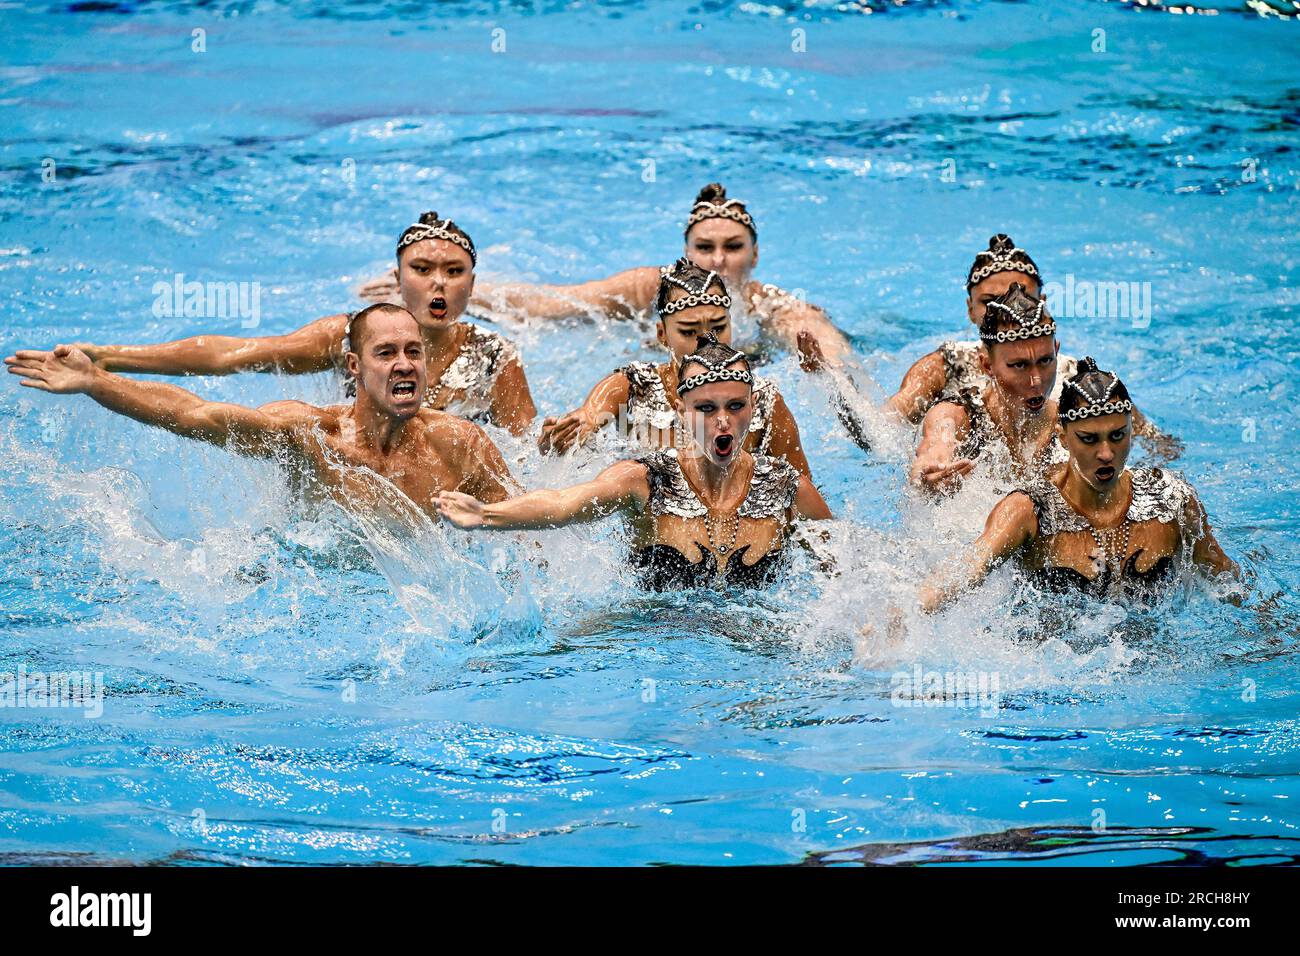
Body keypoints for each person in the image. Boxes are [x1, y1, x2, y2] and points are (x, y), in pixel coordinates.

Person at [18, 213, 537, 436]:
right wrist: (108, 358)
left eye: (454, 272)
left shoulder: (494, 358)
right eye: (422, 270)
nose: (438, 285)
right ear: (395, 278)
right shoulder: (345, 336)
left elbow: (525, 459)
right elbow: (229, 356)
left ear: (474, 282)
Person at [5, 304, 516, 518]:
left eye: (414, 352)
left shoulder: (461, 445)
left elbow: (521, 534)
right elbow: (195, 415)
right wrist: (98, 380)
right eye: (386, 354)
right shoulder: (310, 435)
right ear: (355, 367)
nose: (404, 365)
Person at [435, 336, 832, 590]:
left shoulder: (786, 489)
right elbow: (564, 502)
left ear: (753, 406)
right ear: (680, 411)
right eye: (706, 408)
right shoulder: (646, 480)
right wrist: (487, 514)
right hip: (652, 650)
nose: (723, 420)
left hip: (756, 654)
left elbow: (848, 568)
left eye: (735, 406)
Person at [360, 183, 853, 364]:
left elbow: (824, 341)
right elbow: (556, 305)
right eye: (705, 247)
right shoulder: (649, 287)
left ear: (755, 255)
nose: (718, 261)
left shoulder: (771, 307)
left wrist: (833, 371)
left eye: (732, 248)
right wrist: (447, 285)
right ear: (685, 250)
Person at [916, 359, 1236, 612]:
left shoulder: (1170, 500)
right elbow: (969, 567)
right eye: (1089, 439)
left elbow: (1226, 582)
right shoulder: (1028, 510)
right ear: (1062, 435)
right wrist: (910, 611)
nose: (1107, 454)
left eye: (1117, 436)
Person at [883, 233, 1179, 458]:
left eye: (1020, 296)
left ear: (1041, 303)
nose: (1007, 307)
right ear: (970, 309)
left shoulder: (1075, 377)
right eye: (989, 302)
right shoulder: (948, 364)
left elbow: (1149, 438)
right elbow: (886, 427)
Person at [537, 258, 818, 481]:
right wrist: (571, 432)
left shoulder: (763, 401)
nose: (708, 340)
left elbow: (806, 501)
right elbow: (591, 414)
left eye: (719, 327)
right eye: (689, 331)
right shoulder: (636, 387)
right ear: (662, 335)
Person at [910, 283, 1066, 495]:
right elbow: (941, 431)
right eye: (1019, 365)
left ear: (1056, 352)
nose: (1036, 380)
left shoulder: (1072, 425)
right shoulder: (965, 415)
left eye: (1046, 360)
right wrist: (933, 464)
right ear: (987, 366)